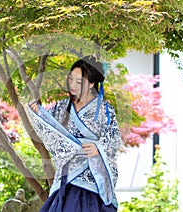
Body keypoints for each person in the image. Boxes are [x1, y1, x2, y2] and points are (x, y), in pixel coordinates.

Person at [27, 56, 122, 212]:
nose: (72, 85)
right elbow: (51, 129)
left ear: (91, 83)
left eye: (79, 82)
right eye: (70, 79)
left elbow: (113, 142)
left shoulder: (105, 110)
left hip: (91, 178)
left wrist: (98, 148)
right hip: (66, 176)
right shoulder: (63, 106)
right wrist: (38, 113)